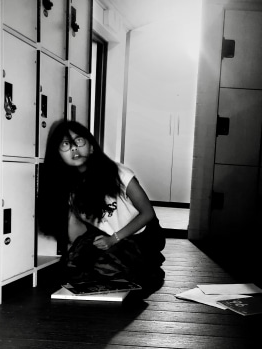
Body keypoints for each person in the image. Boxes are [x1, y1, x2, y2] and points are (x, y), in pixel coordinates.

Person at [38, 119, 166, 293]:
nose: (74, 148)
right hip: (106, 236)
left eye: (79, 141)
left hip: (142, 235)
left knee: (108, 268)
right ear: (58, 154)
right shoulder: (68, 187)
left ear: (91, 147)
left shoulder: (119, 172)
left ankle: (148, 268)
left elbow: (147, 213)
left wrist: (114, 239)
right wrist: (77, 254)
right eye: (66, 144)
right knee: (72, 267)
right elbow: (78, 230)